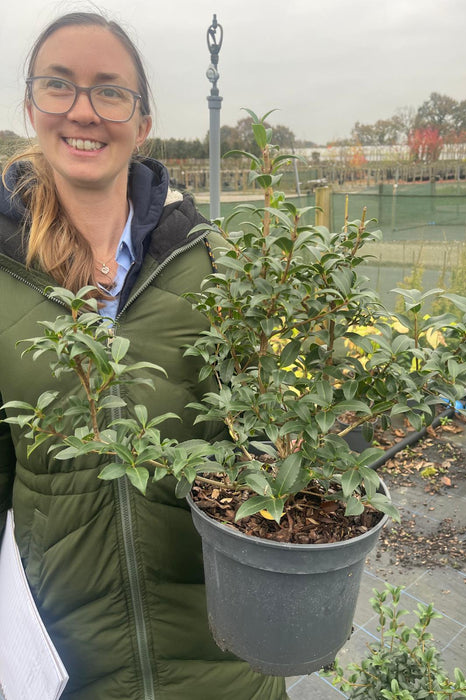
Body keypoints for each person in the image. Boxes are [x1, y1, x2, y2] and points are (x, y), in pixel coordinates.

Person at [0, 12, 287, 700]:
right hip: (67, 663)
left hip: (225, 659)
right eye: (59, 85)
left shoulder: (212, 263)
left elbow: (267, 442)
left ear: (143, 121)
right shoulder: (6, 276)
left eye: (110, 91)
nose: (83, 111)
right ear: (31, 107)